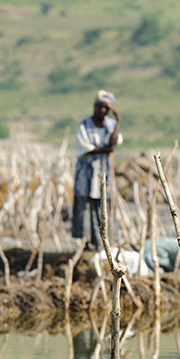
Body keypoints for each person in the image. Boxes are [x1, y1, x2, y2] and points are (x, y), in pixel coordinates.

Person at [71, 90, 123, 250]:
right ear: (94, 106)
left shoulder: (110, 125)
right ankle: (85, 242)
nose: (102, 110)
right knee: (85, 205)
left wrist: (117, 119)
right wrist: (105, 149)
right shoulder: (84, 125)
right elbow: (87, 147)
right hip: (86, 173)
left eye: (105, 108)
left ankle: (103, 242)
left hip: (103, 172)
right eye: (99, 107)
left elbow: (113, 143)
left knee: (103, 205)